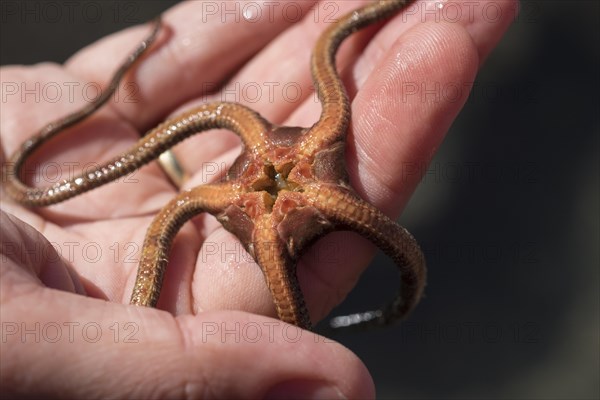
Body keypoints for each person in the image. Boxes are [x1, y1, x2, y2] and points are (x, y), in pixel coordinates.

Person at [0, 1, 517, 397]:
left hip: (268, 185)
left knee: (330, 46)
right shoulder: (251, 195)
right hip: (248, 198)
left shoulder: (285, 161)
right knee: (325, 54)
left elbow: (403, 256)